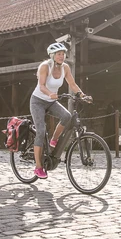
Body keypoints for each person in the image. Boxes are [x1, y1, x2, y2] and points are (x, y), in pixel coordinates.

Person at [30, 41, 87, 179]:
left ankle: (54, 140)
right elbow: (41, 85)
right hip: (38, 101)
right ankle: (38, 167)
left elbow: (72, 83)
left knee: (67, 116)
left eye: (63, 54)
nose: (62, 56)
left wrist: (82, 95)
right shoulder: (45, 67)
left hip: (51, 102)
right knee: (41, 131)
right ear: (52, 55)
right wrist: (50, 93)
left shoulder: (65, 68)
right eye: (58, 54)